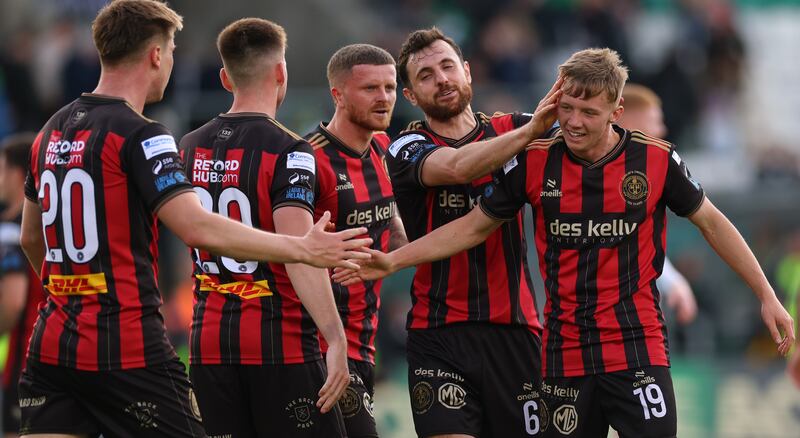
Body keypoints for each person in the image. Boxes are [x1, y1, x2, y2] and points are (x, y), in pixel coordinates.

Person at [336, 47, 795, 438]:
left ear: (615, 112)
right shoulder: (534, 160)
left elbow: (713, 223)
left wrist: (766, 295)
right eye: (567, 109)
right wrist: (394, 261)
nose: (573, 122)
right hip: (562, 356)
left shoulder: (655, 159)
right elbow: (473, 226)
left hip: (636, 345)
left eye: (588, 113)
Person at [17, 2, 370, 437]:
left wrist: (70, 294)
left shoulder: (49, 130)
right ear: (156, 56)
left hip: (53, 340)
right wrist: (302, 247)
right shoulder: (143, 134)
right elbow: (196, 226)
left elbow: (31, 237)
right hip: (127, 341)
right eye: (171, 50)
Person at [380, 27, 560, 438]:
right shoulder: (405, 148)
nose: (441, 79)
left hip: (517, 331)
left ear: (467, 72)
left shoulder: (514, 127)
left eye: (447, 67)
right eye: (425, 75)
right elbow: (458, 167)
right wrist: (531, 133)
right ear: (409, 95)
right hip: (439, 335)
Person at [179, 18, 353, 438]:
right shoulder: (290, 149)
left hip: (208, 345)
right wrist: (336, 339)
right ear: (281, 73)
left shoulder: (187, 145)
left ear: (224, 78)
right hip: (280, 345)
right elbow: (299, 251)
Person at [304, 43, 407, 438]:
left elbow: (393, 230)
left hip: (364, 340)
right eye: (370, 89)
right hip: (317, 348)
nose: (384, 98)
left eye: (390, 87)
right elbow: (290, 252)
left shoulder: (383, 149)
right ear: (338, 95)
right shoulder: (307, 159)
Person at [617, 83, 697, 325]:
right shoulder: (611, 177)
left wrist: (672, 280)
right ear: (629, 119)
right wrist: (673, 281)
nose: (662, 130)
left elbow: (636, 241)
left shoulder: (645, 168)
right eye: (655, 120)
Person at [0, 133, 46, 438]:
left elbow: (13, 301)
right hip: (50, 349)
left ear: (17, 175)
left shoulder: (10, 232)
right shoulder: (49, 223)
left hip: (21, 360)